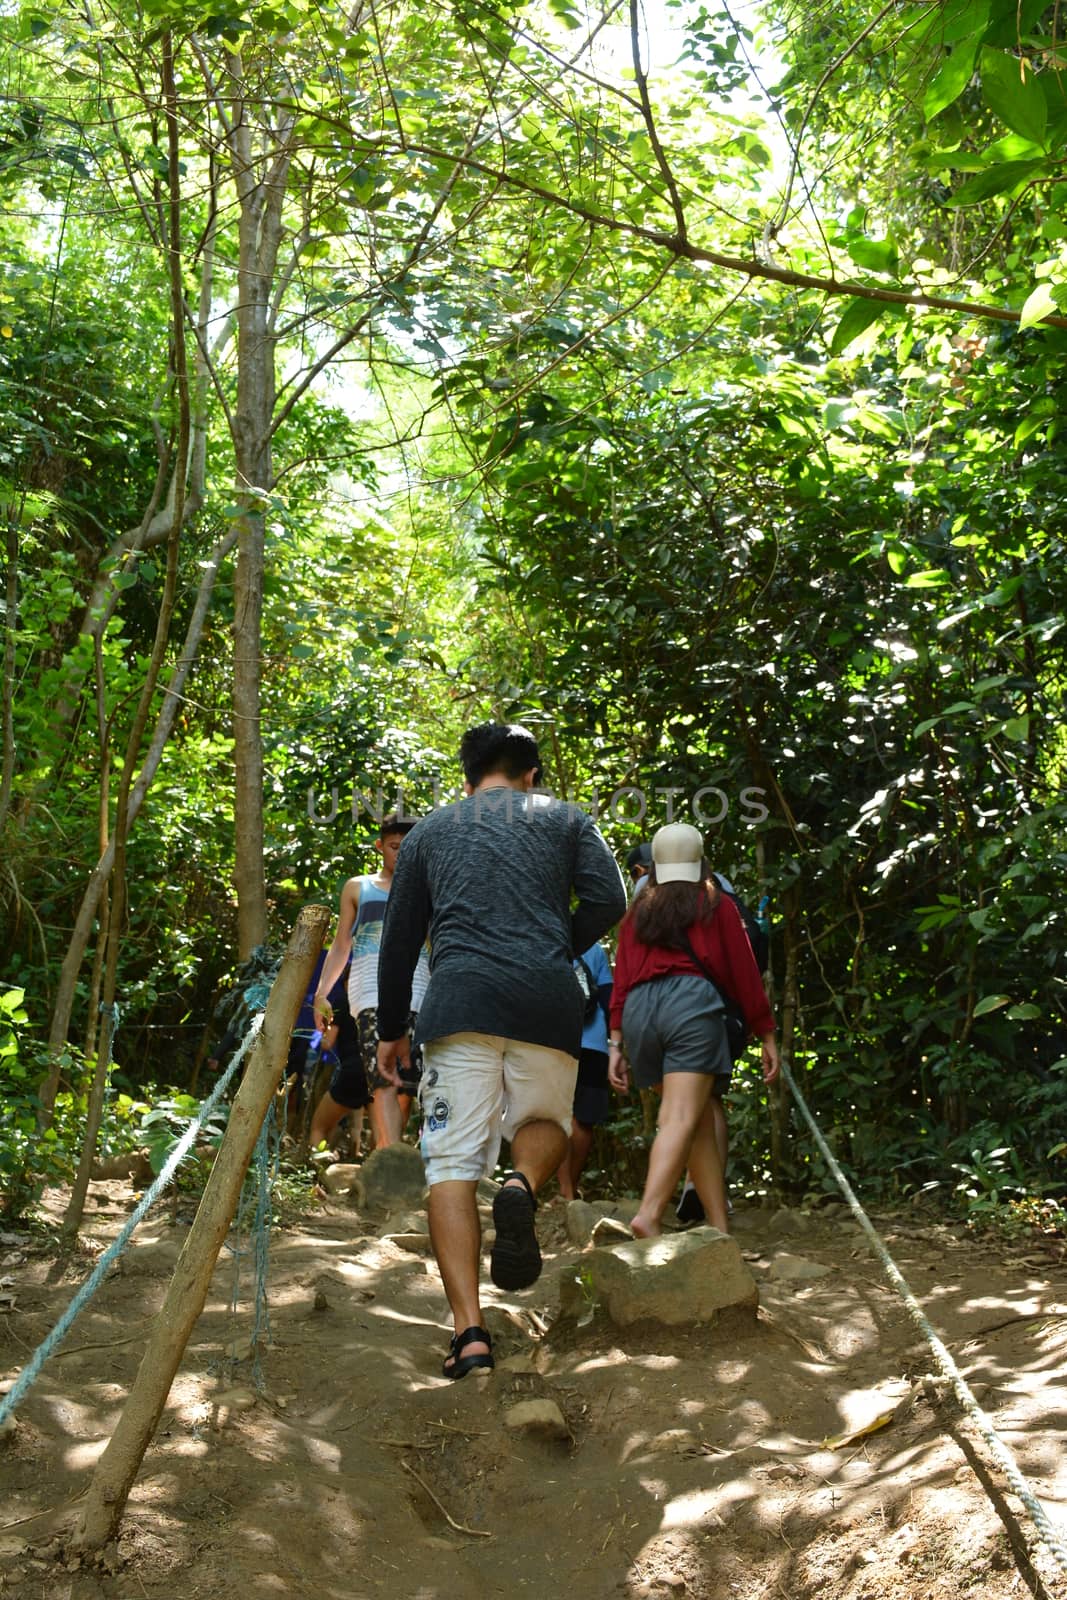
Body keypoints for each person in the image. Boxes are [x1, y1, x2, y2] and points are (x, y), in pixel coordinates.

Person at [375, 722, 626, 1381]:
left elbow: (399, 941)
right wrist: (553, 946)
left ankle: (470, 1336)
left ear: (467, 778)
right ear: (532, 774)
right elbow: (610, 899)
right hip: (546, 1001)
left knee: (450, 1166)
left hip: (458, 1002)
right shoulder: (565, 818)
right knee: (544, 1123)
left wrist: (391, 1029)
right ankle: (521, 1183)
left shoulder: (430, 831)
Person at [607, 822, 778, 1239]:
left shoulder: (638, 913)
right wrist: (766, 1032)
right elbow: (744, 972)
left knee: (696, 1118)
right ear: (701, 862)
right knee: (682, 1115)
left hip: (640, 1012)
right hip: (691, 1006)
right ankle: (649, 1213)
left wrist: (615, 1043)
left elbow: (623, 978)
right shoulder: (715, 904)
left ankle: (718, 1229)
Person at [311, 814, 430, 1151]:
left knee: (408, 1081)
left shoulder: (429, 890)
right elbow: (340, 945)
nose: (401, 854)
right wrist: (322, 994)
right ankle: (389, 1158)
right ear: (379, 846)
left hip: (421, 990)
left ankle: (386, 1153)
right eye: (394, 847)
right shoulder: (358, 887)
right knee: (382, 1073)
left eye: (409, 849)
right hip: (369, 989)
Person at [556, 942, 613, 1200]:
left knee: (558, 1115)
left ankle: (565, 1189)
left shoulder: (546, 939)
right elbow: (608, 998)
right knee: (584, 1119)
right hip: (595, 1042)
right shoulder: (596, 948)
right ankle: (572, 1186)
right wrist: (617, 1044)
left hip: (554, 1039)